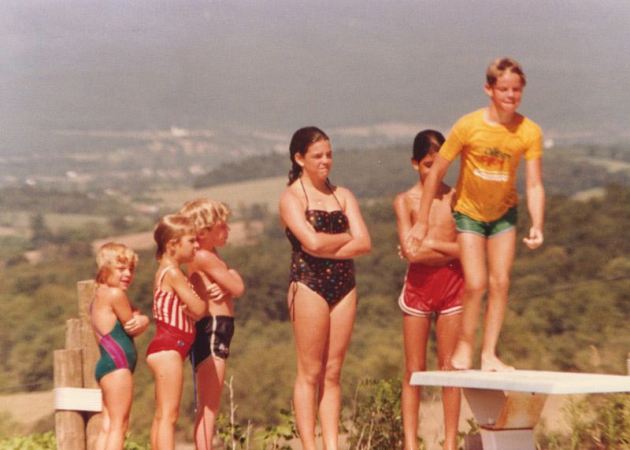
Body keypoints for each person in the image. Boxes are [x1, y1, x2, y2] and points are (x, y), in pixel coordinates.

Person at [408, 57, 545, 371]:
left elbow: (534, 183)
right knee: (476, 283)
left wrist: (537, 222)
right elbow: (436, 171)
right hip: (469, 213)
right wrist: (422, 221)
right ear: (489, 89)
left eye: (516, 90)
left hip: (503, 215)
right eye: (504, 89)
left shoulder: (529, 131)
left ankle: (489, 354)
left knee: (500, 282)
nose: (511, 96)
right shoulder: (468, 125)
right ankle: (465, 345)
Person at [279, 126, 371, 450]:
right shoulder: (291, 197)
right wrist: (347, 238)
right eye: (318, 155)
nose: (326, 161)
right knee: (310, 371)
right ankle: (310, 445)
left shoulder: (342, 195)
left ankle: (332, 444)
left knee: (333, 372)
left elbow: (365, 242)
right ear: (299, 158)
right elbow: (311, 242)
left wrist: (329, 245)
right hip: (308, 284)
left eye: (329, 154)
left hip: (344, 284)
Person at [394, 130, 463, 450]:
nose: (434, 171)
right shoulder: (404, 201)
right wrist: (447, 249)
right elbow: (412, 254)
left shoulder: (457, 197)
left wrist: (431, 242)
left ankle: (450, 443)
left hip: (453, 286)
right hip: (419, 289)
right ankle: (411, 443)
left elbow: (468, 250)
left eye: (440, 164)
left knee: (450, 368)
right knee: (414, 370)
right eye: (426, 164)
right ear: (414, 164)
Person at [180, 198, 245, 450]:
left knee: (208, 404)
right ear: (203, 232)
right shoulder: (205, 257)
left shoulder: (207, 255)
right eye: (222, 226)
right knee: (209, 405)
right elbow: (237, 288)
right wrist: (234, 275)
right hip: (213, 329)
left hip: (215, 329)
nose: (227, 230)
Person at [146, 214, 207, 450]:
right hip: (169, 348)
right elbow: (199, 308)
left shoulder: (164, 271)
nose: (196, 246)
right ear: (172, 245)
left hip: (163, 348)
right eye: (191, 241)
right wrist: (200, 286)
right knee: (169, 416)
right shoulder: (172, 273)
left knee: (162, 415)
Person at [90, 242, 149, 450]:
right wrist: (144, 320)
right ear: (105, 267)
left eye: (131, 269)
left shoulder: (100, 294)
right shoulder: (115, 294)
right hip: (118, 365)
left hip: (107, 365)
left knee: (108, 426)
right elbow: (133, 326)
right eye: (121, 268)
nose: (128, 274)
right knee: (119, 426)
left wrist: (137, 314)